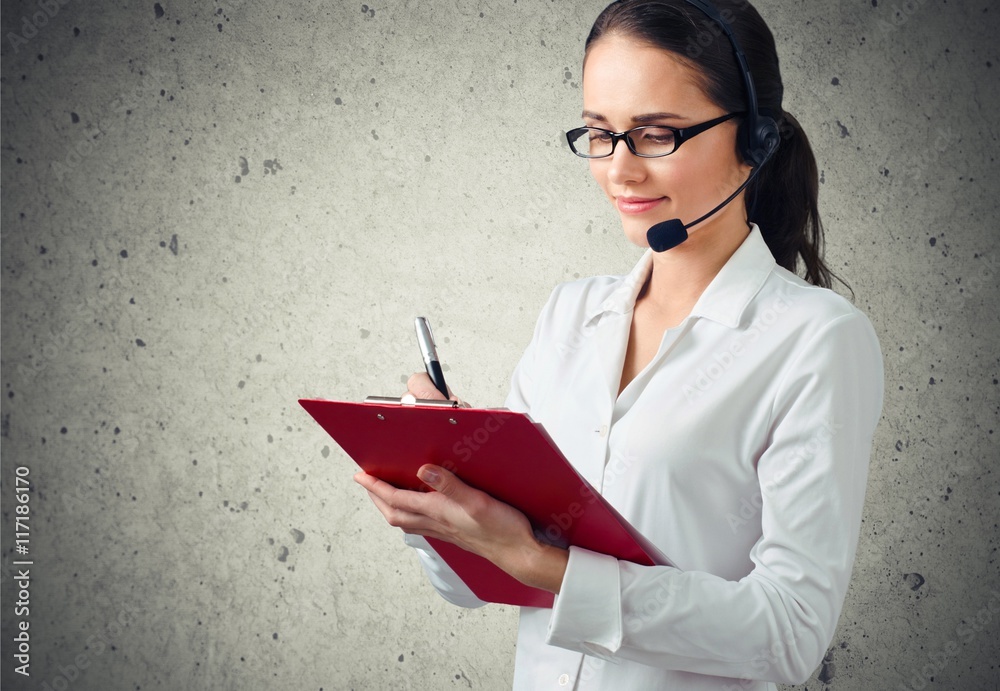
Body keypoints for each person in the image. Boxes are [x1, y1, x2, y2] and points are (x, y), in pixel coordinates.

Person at [353, 0, 884, 688]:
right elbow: (479, 584)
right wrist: (439, 497)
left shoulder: (817, 341)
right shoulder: (569, 314)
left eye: (656, 134)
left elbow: (788, 634)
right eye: (599, 134)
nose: (619, 170)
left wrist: (547, 565)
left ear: (754, 139)